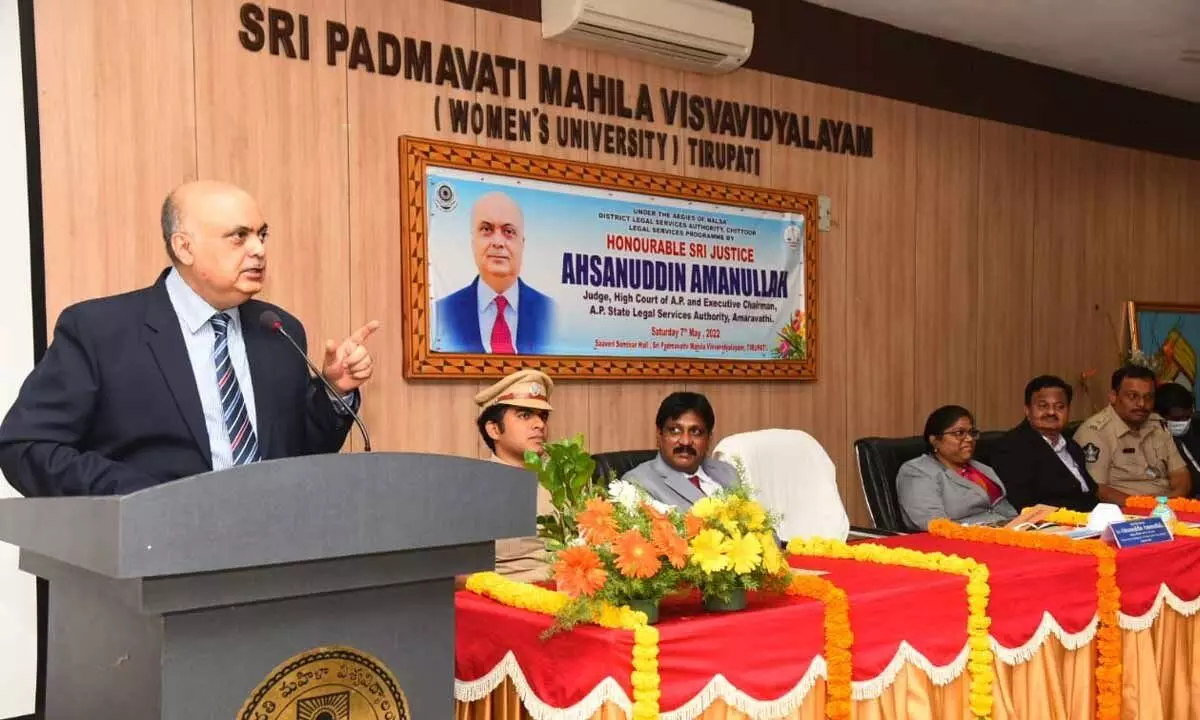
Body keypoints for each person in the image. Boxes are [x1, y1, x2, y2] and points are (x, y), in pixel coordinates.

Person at [0, 181, 379, 496]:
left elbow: (298, 454)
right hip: (153, 559)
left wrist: (333, 391)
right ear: (184, 247)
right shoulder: (101, 330)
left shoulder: (279, 329)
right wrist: (143, 498)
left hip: (270, 556)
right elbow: (27, 447)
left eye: (261, 234)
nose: (259, 250)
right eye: (239, 236)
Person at [434, 191, 555, 355]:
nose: (498, 242)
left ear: (522, 244)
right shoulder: (441, 313)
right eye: (486, 229)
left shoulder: (550, 311)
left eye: (509, 231)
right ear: (473, 241)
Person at [474, 368, 555, 583]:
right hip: (508, 602)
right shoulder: (472, 489)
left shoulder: (564, 481)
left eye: (543, 416)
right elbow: (457, 574)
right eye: (524, 415)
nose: (539, 424)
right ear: (494, 430)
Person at [1074, 365, 1190, 503]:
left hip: (1167, 507)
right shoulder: (1095, 432)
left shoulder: (1157, 425)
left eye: (1148, 397)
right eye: (1132, 396)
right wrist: (1147, 506)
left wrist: (1172, 502)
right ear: (1113, 396)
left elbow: (1181, 475)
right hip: (1126, 512)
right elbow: (1099, 489)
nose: (1142, 404)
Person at [897, 405, 1017, 530]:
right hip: (963, 540)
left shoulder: (982, 468)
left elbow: (1006, 510)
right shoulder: (917, 471)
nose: (969, 439)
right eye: (959, 433)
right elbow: (934, 524)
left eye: (972, 433)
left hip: (1011, 532)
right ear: (935, 440)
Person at [991, 375, 1098, 512]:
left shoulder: (1072, 447)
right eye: (1043, 406)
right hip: (1051, 526)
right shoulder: (1011, 447)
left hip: (1091, 521)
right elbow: (1025, 505)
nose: (1051, 412)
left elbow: (1089, 491)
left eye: (1060, 406)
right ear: (1027, 410)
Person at [621, 391, 736, 510]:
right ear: (659, 434)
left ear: (709, 438)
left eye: (696, 432)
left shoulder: (728, 473)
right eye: (675, 430)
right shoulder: (637, 485)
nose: (685, 441)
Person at [1153, 382, 1200, 497]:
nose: (1184, 422)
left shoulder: (1197, 426)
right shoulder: (1153, 438)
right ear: (1158, 415)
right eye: (1177, 419)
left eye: (1187, 417)